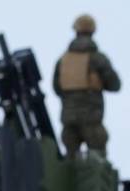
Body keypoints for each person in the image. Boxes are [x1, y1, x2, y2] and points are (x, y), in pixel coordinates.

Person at [51, 14, 120, 157]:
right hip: (92, 120)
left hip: (68, 120)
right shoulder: (98, 59)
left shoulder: (63, 60)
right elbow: (115, 85)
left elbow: (57, 88)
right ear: (93, 31)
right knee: (97, 163)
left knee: (70, 163)